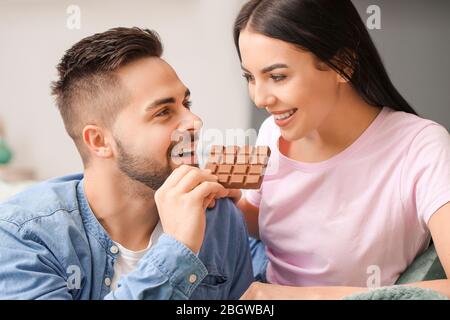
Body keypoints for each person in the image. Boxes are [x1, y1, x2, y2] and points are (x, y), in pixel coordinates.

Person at [0, 27, 253, 300]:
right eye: (163, 112)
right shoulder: (23, 235)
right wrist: (177, 248)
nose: (195, 122)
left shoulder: (219, 220)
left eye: (186, 103)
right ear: (98, 141)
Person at [232, 0, 450, 299]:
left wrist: (303, 297)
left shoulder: (421, 146)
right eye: (250, 78)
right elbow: (268, 225)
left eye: (277, 76)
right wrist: (228, 203)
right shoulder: (273, 131)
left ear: (343, 64)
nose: (259, 98)